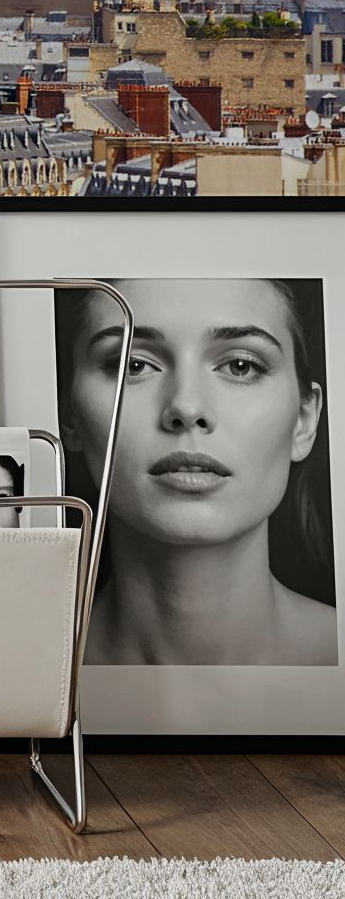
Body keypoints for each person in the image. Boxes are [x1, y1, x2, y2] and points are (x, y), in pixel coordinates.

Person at [56, 278, 336, 667]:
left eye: (241, 366)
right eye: (133, 365)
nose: (187, 408)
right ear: (69, 415)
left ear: (305, 419)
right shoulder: (13, 673)